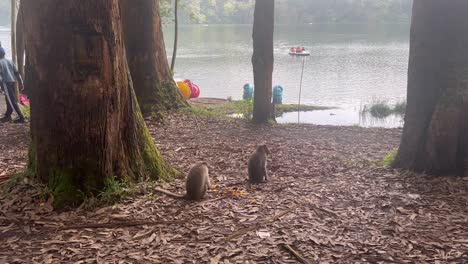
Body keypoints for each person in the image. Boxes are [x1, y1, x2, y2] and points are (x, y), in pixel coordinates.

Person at [0, 47, 25, 123]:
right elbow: (17, 73)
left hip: (6, 83)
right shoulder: (10, 61)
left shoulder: (0, 62)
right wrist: (21, 83)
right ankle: (8, 115)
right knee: (9, 98)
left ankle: (21, 117)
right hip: (13, 82)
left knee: (11, 100)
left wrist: (0, 86)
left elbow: (0, 76)